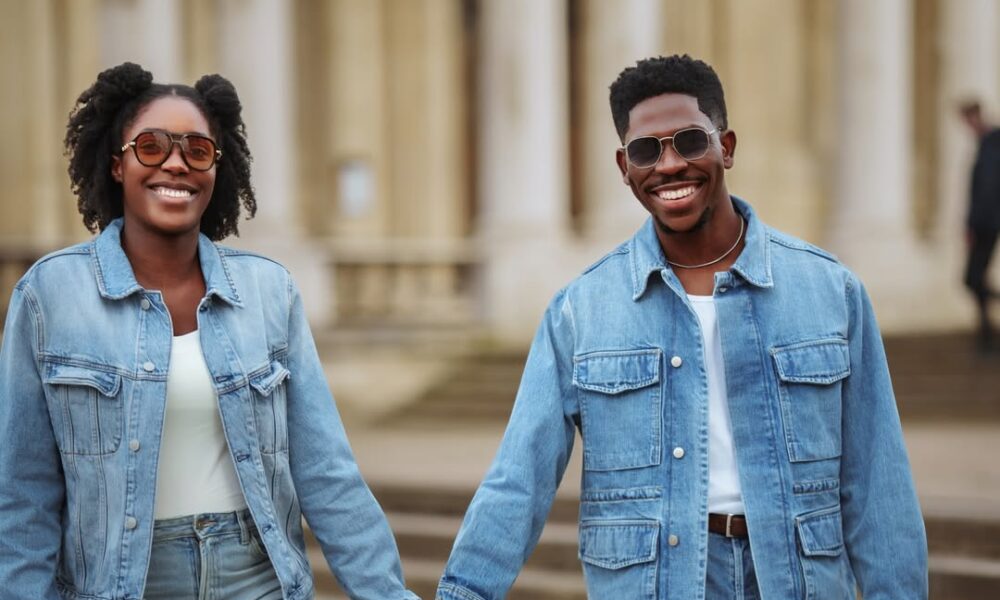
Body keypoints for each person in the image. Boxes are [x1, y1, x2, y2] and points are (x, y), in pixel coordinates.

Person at [436, 55, 926, 599]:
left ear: (727, 147)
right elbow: (518, 481)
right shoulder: (581, 310)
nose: (668, 166)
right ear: (625, 168)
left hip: (794, 581)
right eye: (646, 150)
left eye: (690, 141)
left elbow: (878, 486)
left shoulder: (831, 292)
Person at [0, 62, 418, 600]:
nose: (176, 164)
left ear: (217, 170)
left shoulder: (269, 292)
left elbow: (327, 473)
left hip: (257, 577)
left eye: (197, 150)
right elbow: (23, 496)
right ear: (116, 165)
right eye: (151, 146)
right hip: (125, 584)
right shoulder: (49, 296)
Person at [959, 100, 1000, 352]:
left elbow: (986, 191)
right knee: (975, 279)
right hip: (985, 223)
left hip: (987, 223)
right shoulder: (987, 145)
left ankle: (987, 336)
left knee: (973, 278)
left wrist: (974, 225)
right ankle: (986, 333)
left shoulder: (991, 145)